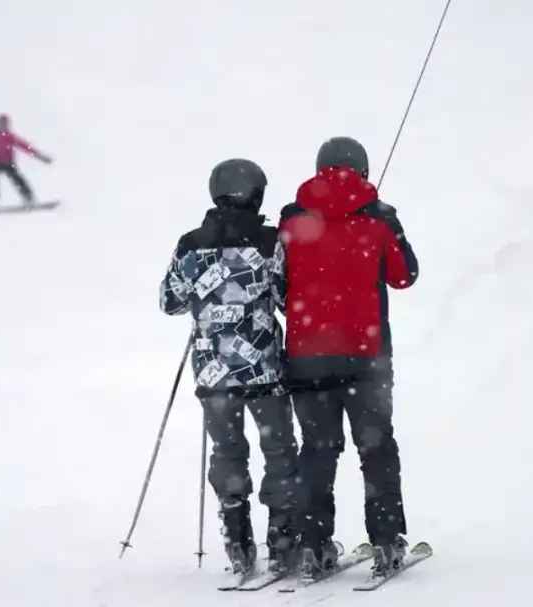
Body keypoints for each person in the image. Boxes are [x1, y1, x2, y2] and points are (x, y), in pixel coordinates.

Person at [278, 136, 419, 578]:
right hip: (366, 355)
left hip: (306, 357)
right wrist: (386, 228)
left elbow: (277, 285)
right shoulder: (377, 218)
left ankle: (313, 545)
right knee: (375, 449)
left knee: (317, 451)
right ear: (362, 168)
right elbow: (404, 276)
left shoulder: (291, 221)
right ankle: (386, 542)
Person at [159, 158, 305, 578]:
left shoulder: (189, 244)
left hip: (212, 373)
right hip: (263, 369)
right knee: (278, 451)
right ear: (256, 191)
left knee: (228, 451)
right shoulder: (267, 241)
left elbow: (170, 301)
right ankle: (282, 536)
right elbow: (284, 295)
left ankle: (236, 533)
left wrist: (207, 300)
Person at [0, 113, 52, 210]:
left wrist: (39, 155)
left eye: (4, 124)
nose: (3, 126)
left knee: (18, 180)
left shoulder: (10, 136)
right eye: (1, 123)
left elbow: (24, 146)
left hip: (8, 163)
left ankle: (28, 198)